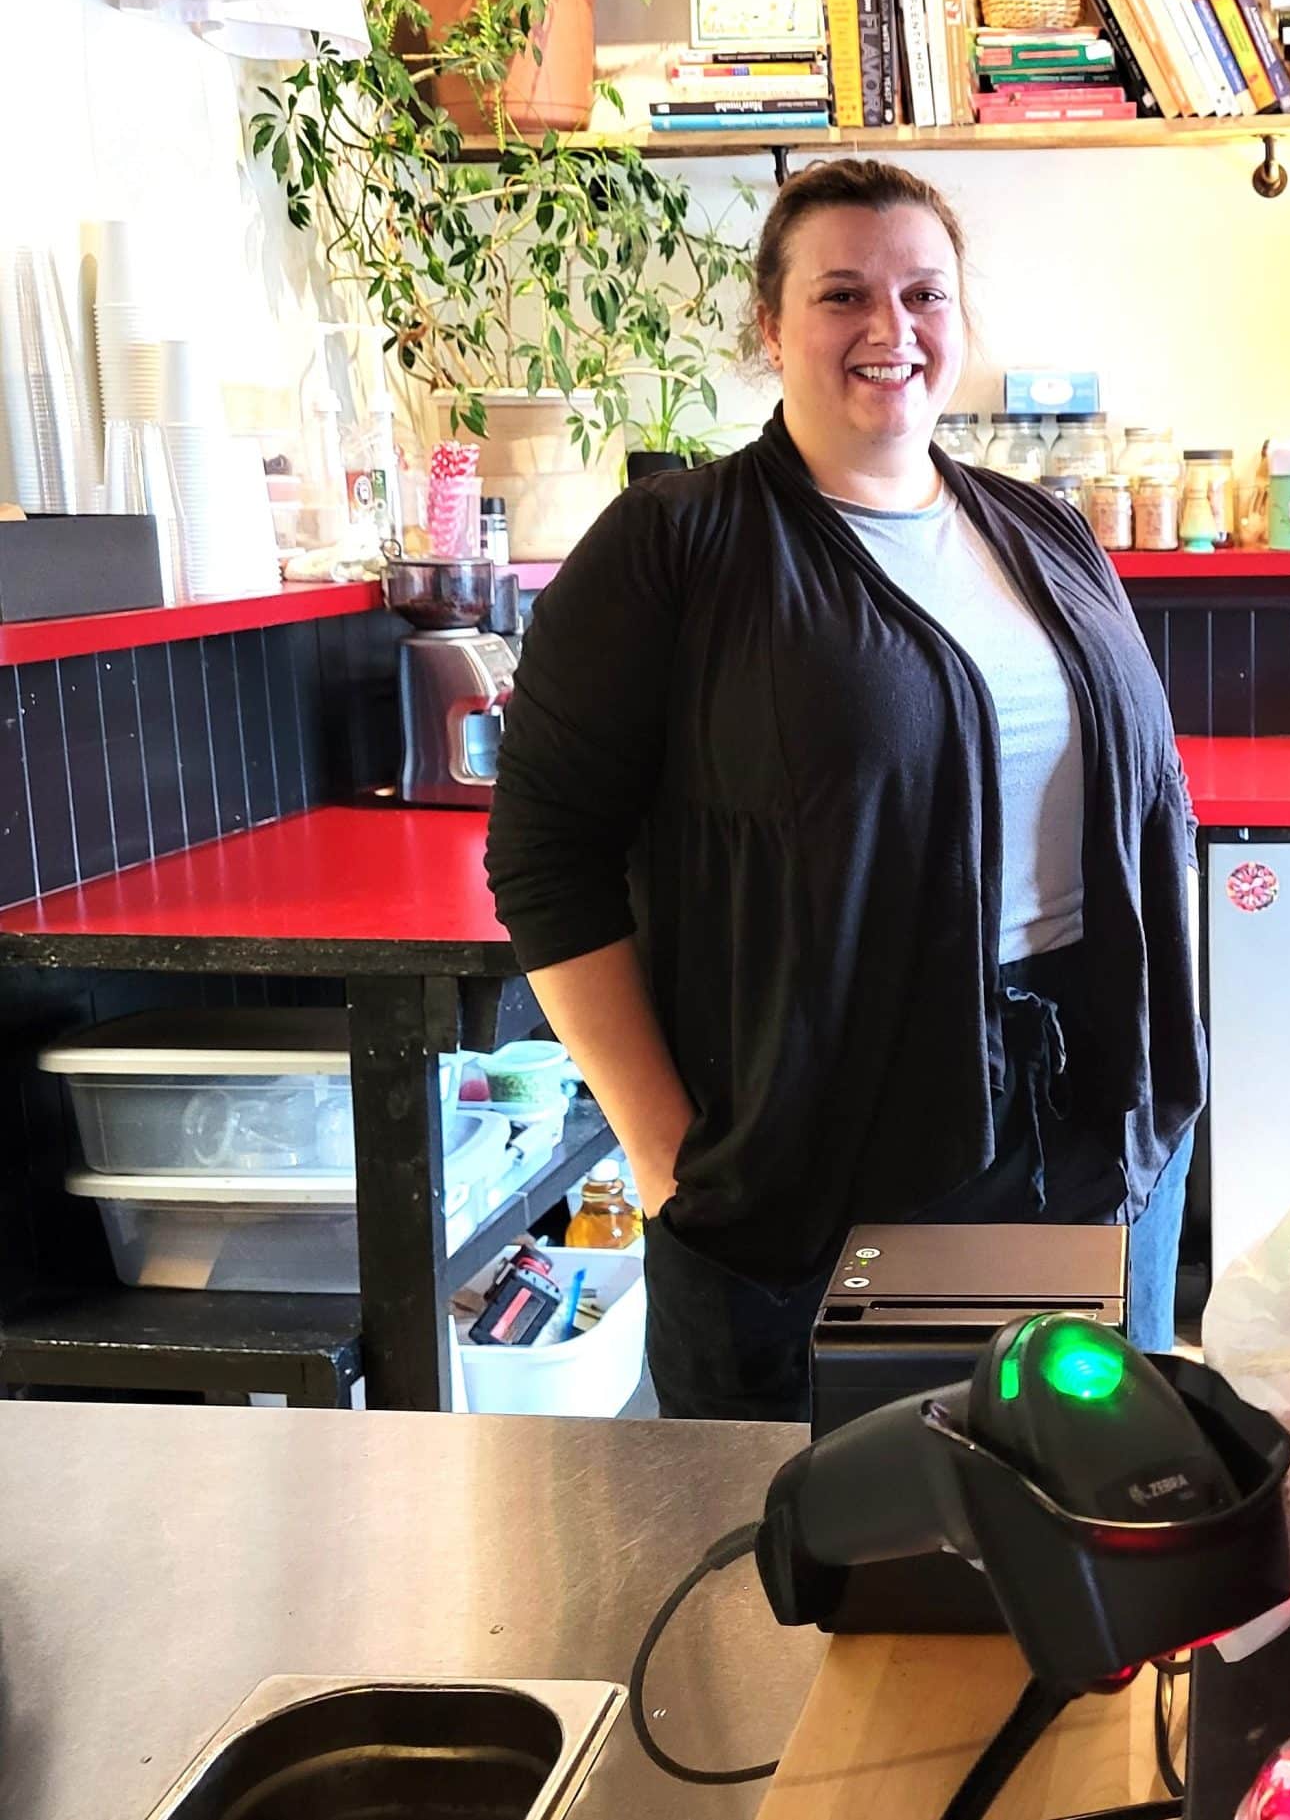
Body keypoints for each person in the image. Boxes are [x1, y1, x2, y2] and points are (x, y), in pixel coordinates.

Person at [486, 159, 1202, 1419]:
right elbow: (546, 856)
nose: (891, 329)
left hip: (1087, 1128)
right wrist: (662, 1152)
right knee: (853, 1537)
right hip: (843, 1155)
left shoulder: (1045, 531)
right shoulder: (677, 546)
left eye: (925, 292)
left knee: (1073, 1507)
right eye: (841, 295)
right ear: (770, 326)